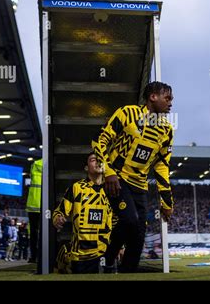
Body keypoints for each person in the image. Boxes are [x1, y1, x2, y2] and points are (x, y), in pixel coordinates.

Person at [92, 81, 174, 273]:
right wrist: (108, 171)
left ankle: (127, 272)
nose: (171, 103)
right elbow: (99, 140)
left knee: (138, 234)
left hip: (140, 185)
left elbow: (162, 166)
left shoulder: (167, 130)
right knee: (130, 220)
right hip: (117, 178)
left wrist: (167, 201)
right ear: (153, 97)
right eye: (167, 98)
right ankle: (107, 259)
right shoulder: (127, 113)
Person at [53, 152, 113, 274]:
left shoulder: (112, 189)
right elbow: (60, 211)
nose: (98, 162)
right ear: (86, 167)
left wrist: (121, 247)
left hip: (104, 252)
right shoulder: (76, 188)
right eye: (93, 160)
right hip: (79, 255)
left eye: (100, 160)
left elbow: (117, 221)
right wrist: (58, 218)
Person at [26, 158, 42, 263]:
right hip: (44, 205)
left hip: (32, 205)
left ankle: (33, 256)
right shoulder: (50, 164)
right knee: (44, 233)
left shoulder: (35, 164)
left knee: (33, 233)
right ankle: (42, 255)